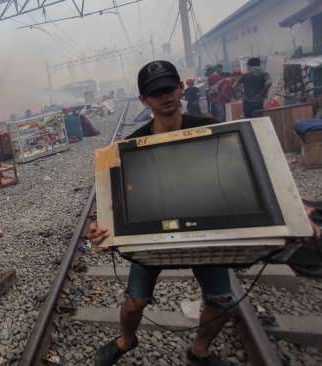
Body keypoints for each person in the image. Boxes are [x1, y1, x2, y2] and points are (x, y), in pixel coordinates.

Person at [91, 60, 234, 366]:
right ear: (144, 100)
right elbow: (119, 196)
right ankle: (126, 340)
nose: (165, 96)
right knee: (133, 303)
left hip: (202, 228)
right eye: (156, 93)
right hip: (152, 232)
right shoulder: (131, 145)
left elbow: (233, 174)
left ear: (181, 88)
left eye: (170, 88)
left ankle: (199, 351)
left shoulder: (208, 129)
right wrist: (102, 227)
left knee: (222, 301)